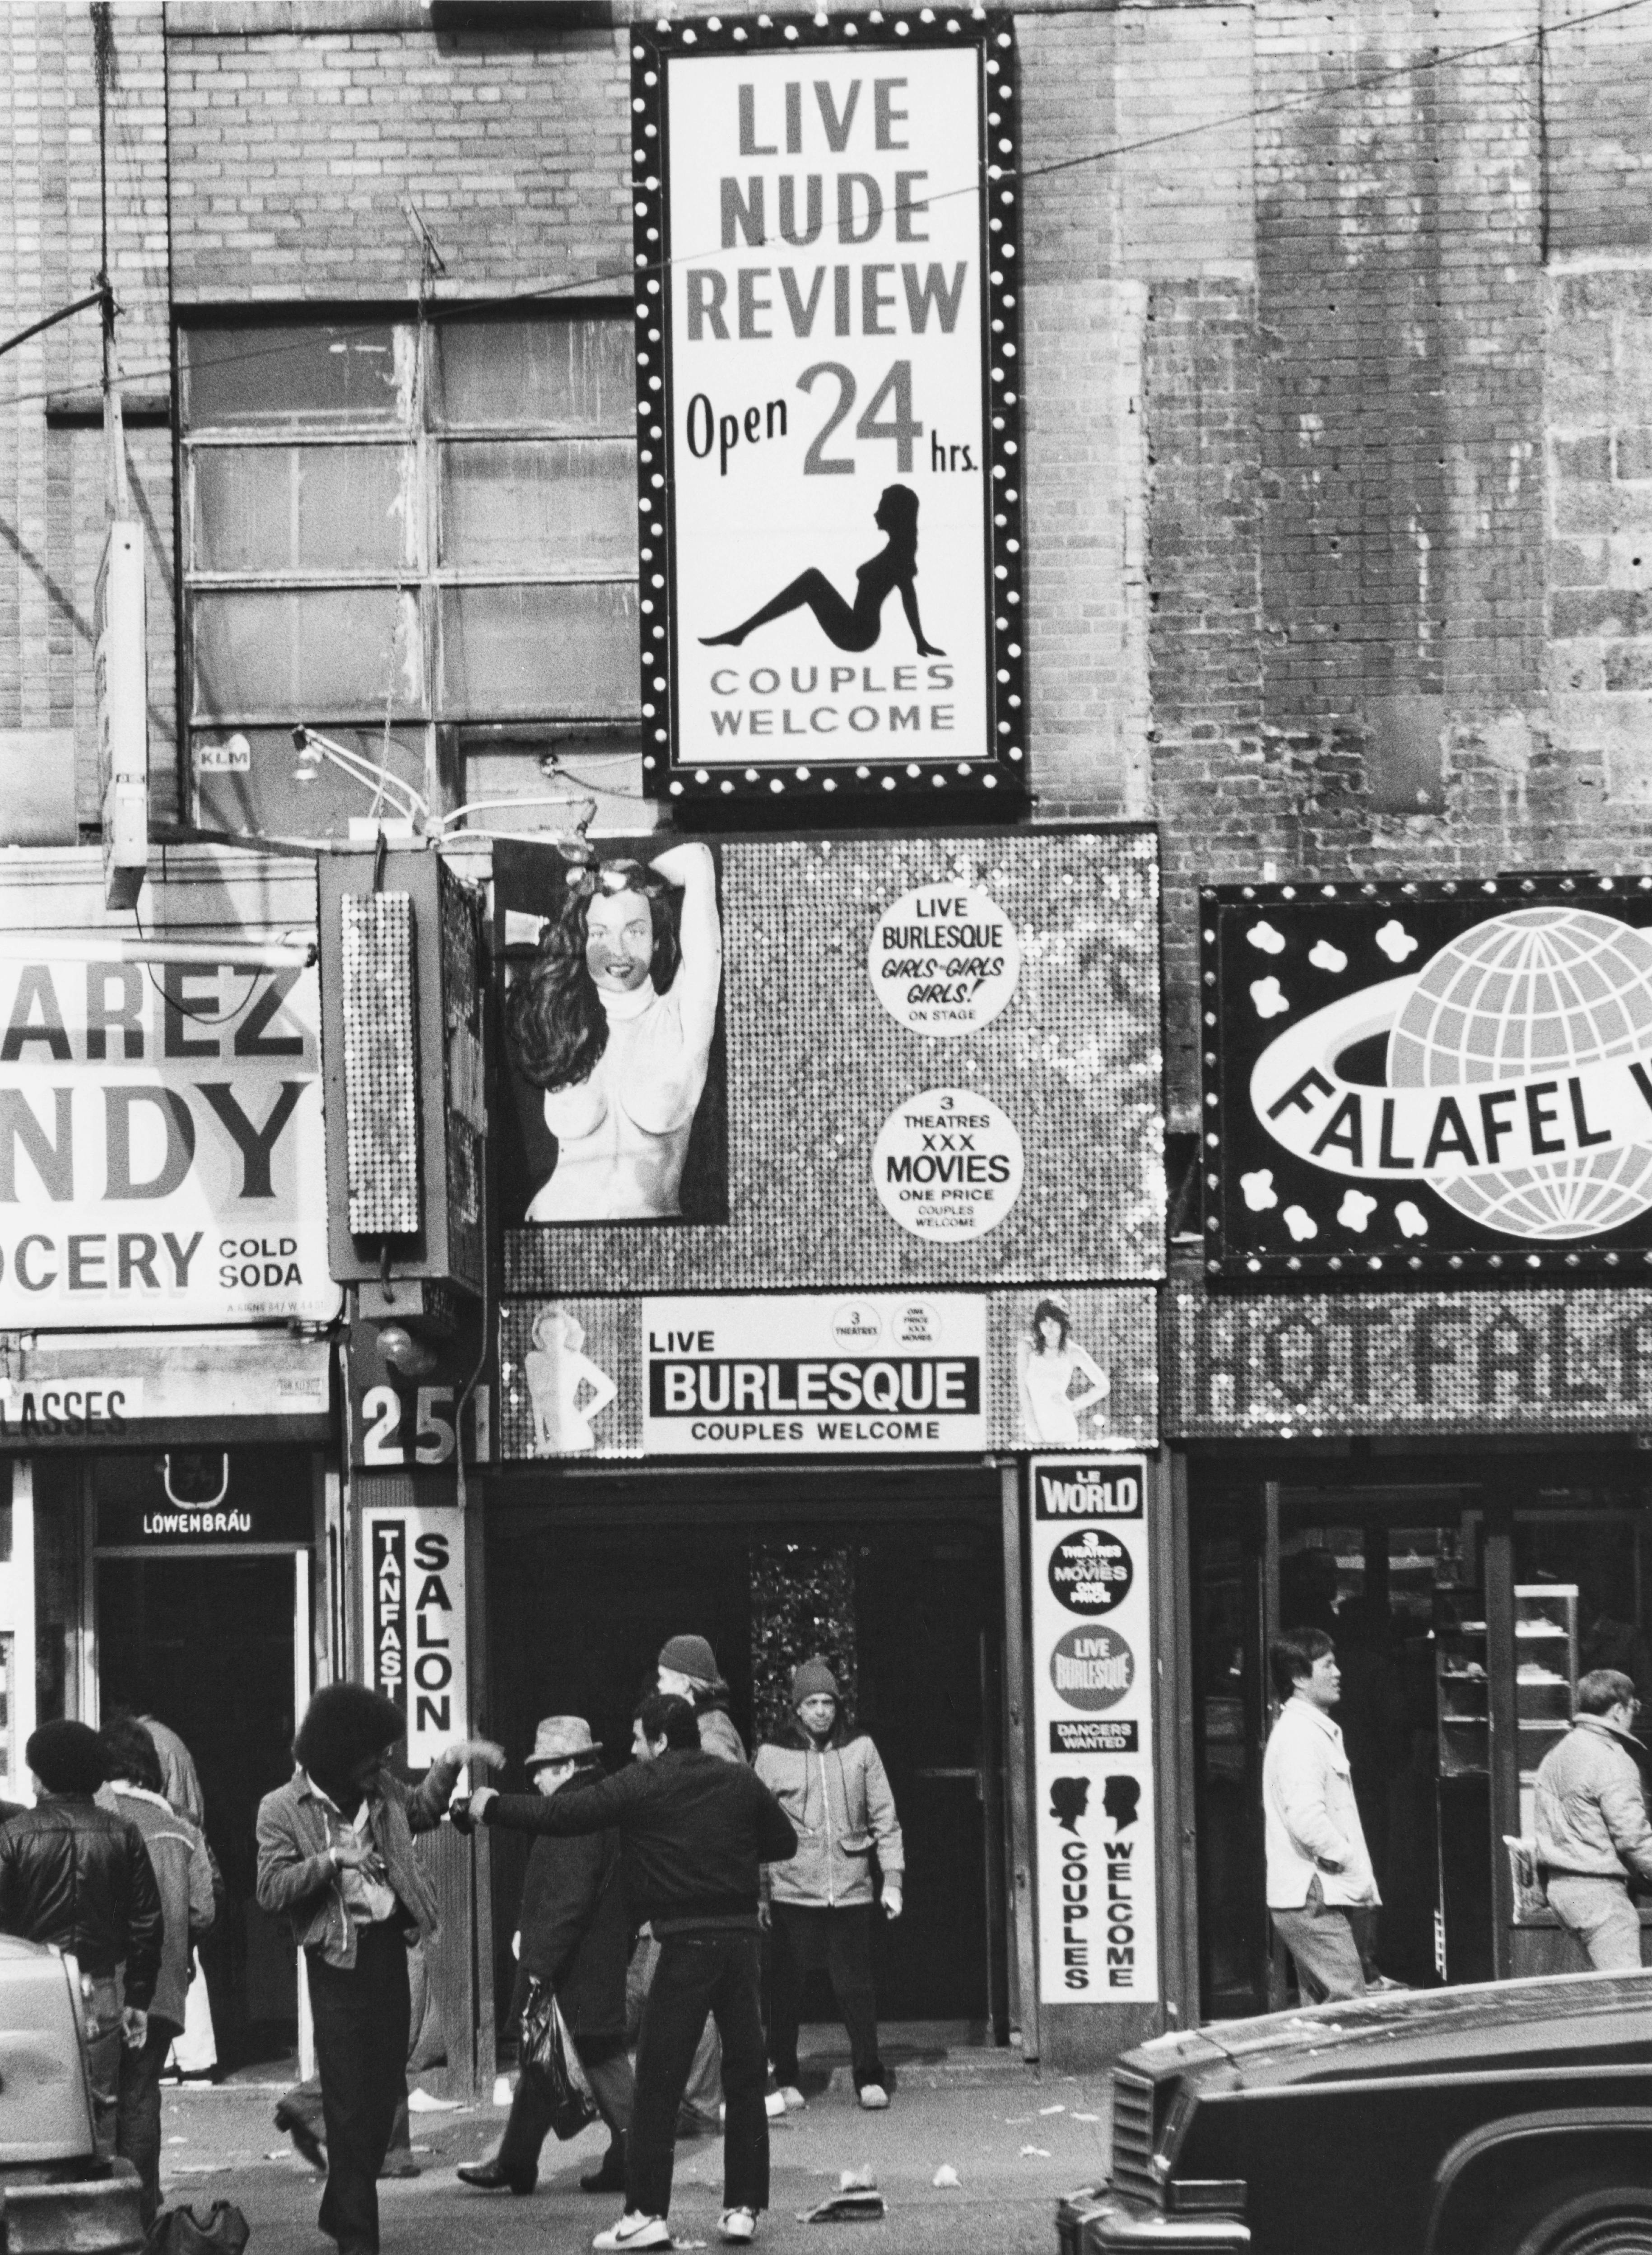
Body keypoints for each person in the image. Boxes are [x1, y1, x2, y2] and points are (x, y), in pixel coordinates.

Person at [457, 1692, 796, 2253]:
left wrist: (489, 1805)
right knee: (743, 2078)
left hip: (683, 1943)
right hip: (740, 1945)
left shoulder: (645, 1783)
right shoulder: (736, 1780)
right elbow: (781, 1840)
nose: (633, 1749)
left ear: (661, 1740)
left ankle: (645, 2215)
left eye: (639, 1739)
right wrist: (720, 1849)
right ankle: (742, 2210)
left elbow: (563, 1814)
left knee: (658, 2085)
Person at [256, 1684, 503, 2255]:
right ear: (342, 1755)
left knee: (382, 2092)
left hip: (390, 1948)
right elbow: (271, 1889)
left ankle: (340, 2206)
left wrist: (449, 1763)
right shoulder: (281, 1809)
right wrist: (331, 1860)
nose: (385, 1764)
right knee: (346, 2100)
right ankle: (358, 2242)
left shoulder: (380, 1790)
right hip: (337, 1962)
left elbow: (420, 1809)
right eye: (376, 1754)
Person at [457, 1716, 633, 2199]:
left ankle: (636, 2154)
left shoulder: (577, 1813)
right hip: (587, 1958)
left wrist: (539, 1966)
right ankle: (517, 2161)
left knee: (593, 2053)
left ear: (572, 1765)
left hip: (574, 1962)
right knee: (543, 2057)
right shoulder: (590, 1806)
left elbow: (566, 1900)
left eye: (545, 1767)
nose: (535, 1778)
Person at [506, 842, 721, 1223]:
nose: (616, 950)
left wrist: (624, 879)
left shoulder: (683, 1017)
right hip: (553, 1240)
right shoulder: (561, 1022)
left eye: (635, 931)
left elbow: (698, 859)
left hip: (651, 1248)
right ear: (582, 942)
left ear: (657, 941)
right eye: (600, 934)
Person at [0, 1720, 163, 2159]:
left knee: (32, 2119)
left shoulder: (13, 1836)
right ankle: (102, 2214)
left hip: (31, 1994)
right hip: (102, 1990)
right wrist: (139, 1999)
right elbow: (147, 1922)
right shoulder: (121, 1832)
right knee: (101, 2115)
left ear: (39, 1775)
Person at [754, 1660, 904, 2112]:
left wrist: (892, 1880)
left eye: (827, 1703)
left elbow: (885, 1818)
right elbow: (755, 1827)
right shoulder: (770, 1754)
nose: (820, 1711)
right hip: (791, 1891)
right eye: (811, 1703)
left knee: (855, 1988)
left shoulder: (860, 1749)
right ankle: (785, 2075)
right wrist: (759, 1891)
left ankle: (868, 2076)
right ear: (796, 1708)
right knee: (785, 1990)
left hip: (850, 1887)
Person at [97, 1717, 216, 2227]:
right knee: (143, 2096)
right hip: (164, 1988)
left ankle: (105, 2208)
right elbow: (203, 1914)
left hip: (104, 1985)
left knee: (102, 2098)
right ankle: (143, 2211)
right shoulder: (184, 1831)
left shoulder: (99, 1821)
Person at [1262, 1627, 1379, 2003]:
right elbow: (1307, 1818)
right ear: (1298, 1677)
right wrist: (1346, 1857)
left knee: (1320, 2013)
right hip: (1314, 1893)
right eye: (1326, 1664)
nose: (1338, 1672)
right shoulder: (1300, 1735)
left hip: (1311, 1893)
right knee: (1349, 2007)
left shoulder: (1309, 1730)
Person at [700, 486, 943, 658]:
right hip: (854, 626)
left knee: (811, 579)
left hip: (859, 634)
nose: (875, 513)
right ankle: (740, 633)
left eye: (882, 507)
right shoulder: (897, 549)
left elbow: (908, 595)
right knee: (811, 579)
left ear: (895, 514)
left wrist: (920, 640)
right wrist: (920, 640)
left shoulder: (899, 553)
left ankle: (740, 633)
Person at [1533, 1667, 1652, 1971]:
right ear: (1617, 1710)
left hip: (1561, 1890)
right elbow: (1634, 1837)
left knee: (1604, 1997)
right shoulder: (1611, 1758)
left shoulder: (1555, 1754)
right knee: (1626, 2004)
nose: (1633, 1715)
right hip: (1599, 1896)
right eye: (1633, 1707)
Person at [526, 1305, 619, 1455]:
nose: (552, 1337)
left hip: (575, 1437)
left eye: (557, 1331)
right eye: (547, 1332)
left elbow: (610, 1389)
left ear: (566, 1332)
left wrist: (581, 1419)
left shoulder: (575, 1359)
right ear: (539, 1333)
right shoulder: (533, 1360)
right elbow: (537, 1402)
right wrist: (542, 1441)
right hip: (553, 1439)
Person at [1017, 1299, 1110, 1446]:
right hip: (1034, 1432)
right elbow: (1023, 1392)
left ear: (1063, 1324)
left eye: (1054, 1322)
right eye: (1044, 1322)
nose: (1049, 1327)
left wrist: (1074, 1405)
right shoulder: (1027, 1347)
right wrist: (1036, 1434)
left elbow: (1104, 1386)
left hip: (1064, 1431)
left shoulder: (1073, 1352)